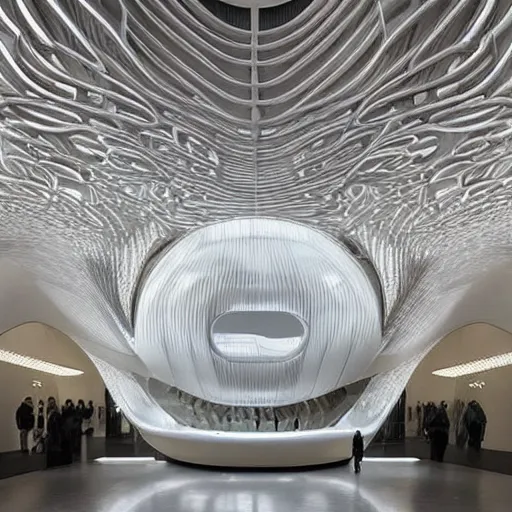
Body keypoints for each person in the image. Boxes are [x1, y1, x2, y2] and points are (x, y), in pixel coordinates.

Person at [46, 400, 64, 468]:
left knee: (53, 449)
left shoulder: (54, 414)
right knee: (54, 449)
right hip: (54, 434)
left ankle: (53, 464)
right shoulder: (54, 413)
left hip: (54, 434)